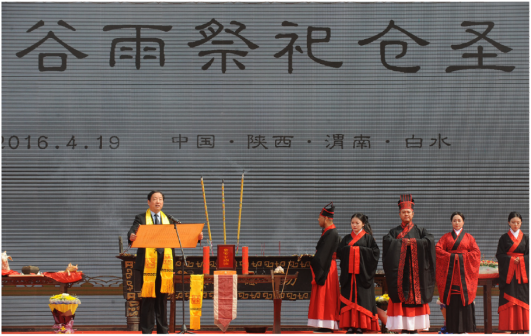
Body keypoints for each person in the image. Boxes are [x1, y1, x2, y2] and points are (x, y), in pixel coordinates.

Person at [128, 191, 203, 336]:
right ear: (148, 202)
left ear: (163, 202)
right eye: (155, 199)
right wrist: (131, 236)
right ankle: (147, 332)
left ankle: (163, 332)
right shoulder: (141, 218)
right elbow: (132, 231)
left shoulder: (168, 219)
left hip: (164, 265)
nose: (158, 201)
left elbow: (181, 235)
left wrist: (197, 238)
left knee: (162, 300)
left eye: (160, 199)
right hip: (148, 265)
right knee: (148, 300)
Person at [382, 194, 436, 336]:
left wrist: (412, 243)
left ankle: (414, 329)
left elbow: (429, 240)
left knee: (415, 299)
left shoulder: (420, 231)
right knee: (402, 299)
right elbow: (387, 242)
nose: (406, 214)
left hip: (416, 273)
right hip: (400, 272)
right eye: (403, 212)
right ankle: (404, 328)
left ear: (413, 213)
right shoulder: (394, 232)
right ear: (399, 214)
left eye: (408, 212)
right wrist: (401, 243)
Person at [435, 212, 481, 335]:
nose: (457, 222)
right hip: (451, 275)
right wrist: (451, 257)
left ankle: (464, 329)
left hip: (464, 274)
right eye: (454, 220)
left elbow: (476, 253)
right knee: (453, 300)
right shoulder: (445, 237)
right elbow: (438, 250)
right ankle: (453, 329)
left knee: (463, 299)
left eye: (459, 220)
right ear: (451, 222)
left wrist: (460, 258)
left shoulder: (469, 238)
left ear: (463, 222)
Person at [337, 213, 380, 335]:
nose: (354, 225)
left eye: (357, 223)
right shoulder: (346, 238)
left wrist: (356, 251)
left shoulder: (369, 239)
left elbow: (375, 253)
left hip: (363, 275)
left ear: (363, 224)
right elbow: (339, 252)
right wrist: (351, 251)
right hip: (349, 276)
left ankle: (361, 326)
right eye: (352, 223)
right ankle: (350, 326)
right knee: (349, 298)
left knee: (362, 299)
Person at [308, 202, 341, 333]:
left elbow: (323, 255)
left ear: (326, 218)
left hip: (327, 268)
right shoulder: (328, 231)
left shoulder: (332, 233)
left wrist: (314, 262)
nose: (318, 219)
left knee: (326, 296)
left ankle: (328, 325)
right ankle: (324, 324)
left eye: (319, 217)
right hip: (327, 265)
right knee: (323, 296)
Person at [496, 212, 530, 335]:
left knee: (523, 298)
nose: (516, 225)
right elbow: (499, 255)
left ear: (521, 223)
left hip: (522, 274)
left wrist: (521, 260)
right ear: (509, 222)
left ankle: (521, 328)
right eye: (513, 222)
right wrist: (511, 260)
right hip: (509, 275)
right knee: (508, 299)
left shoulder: (526, 238)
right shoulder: (503, 238)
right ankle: (511, 328)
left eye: (518, 222)